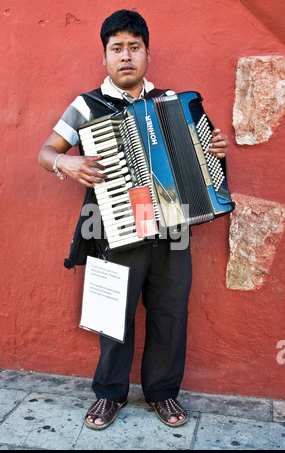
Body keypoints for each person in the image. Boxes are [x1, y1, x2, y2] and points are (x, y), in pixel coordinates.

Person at [38, 9, 230, 430]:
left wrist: (213, 151)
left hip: (173, 226)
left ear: (147, 54)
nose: (126, 56)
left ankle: (163, 393)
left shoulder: (174, 103)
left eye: (134, 47)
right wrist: (66, 166)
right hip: (114, 227)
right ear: (105, 57)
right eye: (116, 48)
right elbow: (46, 152)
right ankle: (109, 394)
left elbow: (204, 153)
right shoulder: (86, 105)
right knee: (114, 315)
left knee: (170, 313)